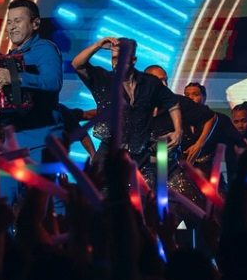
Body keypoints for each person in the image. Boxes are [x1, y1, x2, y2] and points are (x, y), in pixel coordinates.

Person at [72, 37, 181, 180]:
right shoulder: (103, 79)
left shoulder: (150, 83)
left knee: (143, 198)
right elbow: (77, 64)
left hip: (140, 155)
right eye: (115, 58)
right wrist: (98, 45)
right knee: (101, 196)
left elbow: (173, 103)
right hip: (108, 154)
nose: (117, 63)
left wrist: (178, 130)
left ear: (133, 60)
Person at [0, 0, 63, 160]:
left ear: (35, 23)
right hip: (11, 143)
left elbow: (53, 82)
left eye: (17, 21)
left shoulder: (45, 48)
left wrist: (15, 78)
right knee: (5, 186)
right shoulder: (7, 58)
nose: (12, 27)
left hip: (40, 141)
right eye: (9, 22)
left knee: (38, 186)